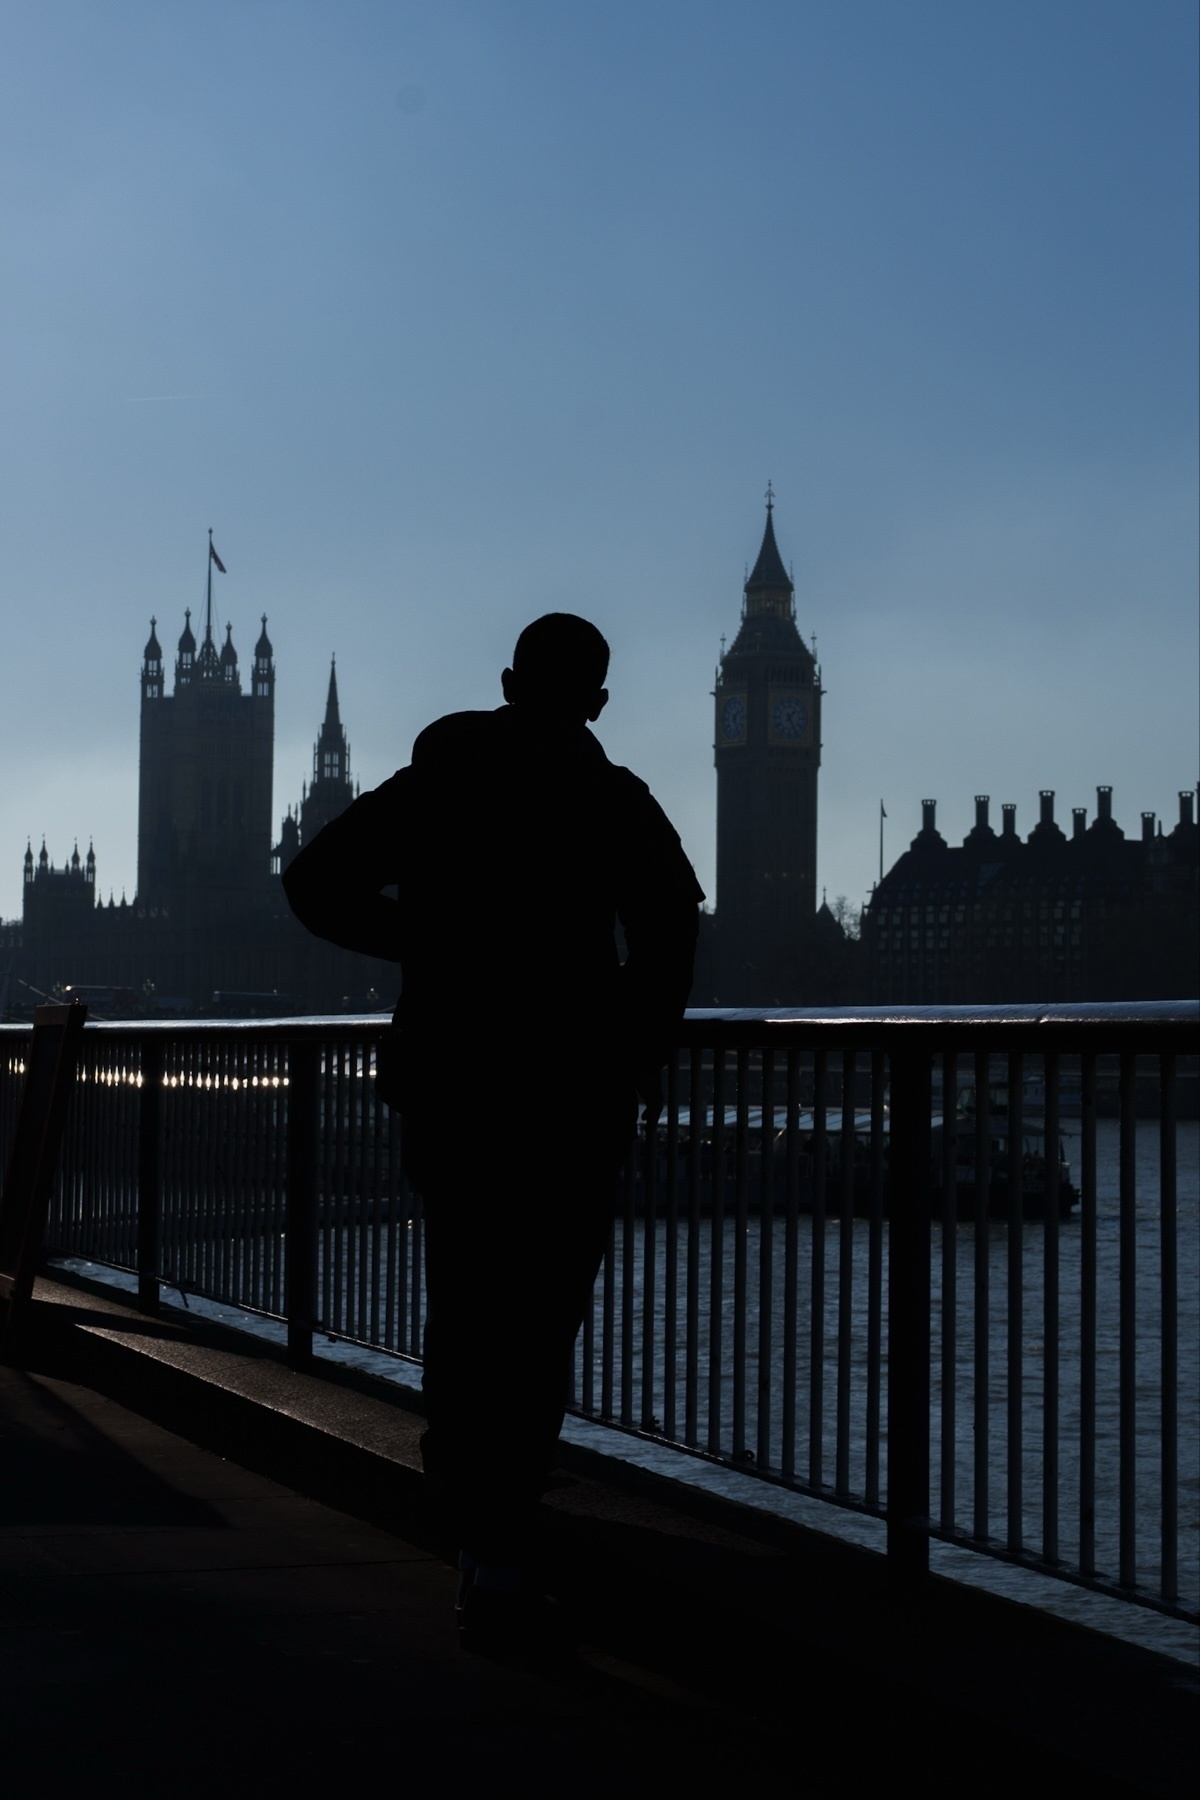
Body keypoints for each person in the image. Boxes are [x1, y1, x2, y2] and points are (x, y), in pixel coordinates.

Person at [282, 613, 702, 1652]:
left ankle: (476, 1535)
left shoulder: (438, 784)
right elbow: (670, 933)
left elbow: (313, 882)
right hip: (571, 1096)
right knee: (542, 1319)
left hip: (456, 1085)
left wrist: (424, 943)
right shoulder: (614, 799)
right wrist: (628, 1045)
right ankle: (501, 1536)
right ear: (597, 700)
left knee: (468, 1307)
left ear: (510, 680)